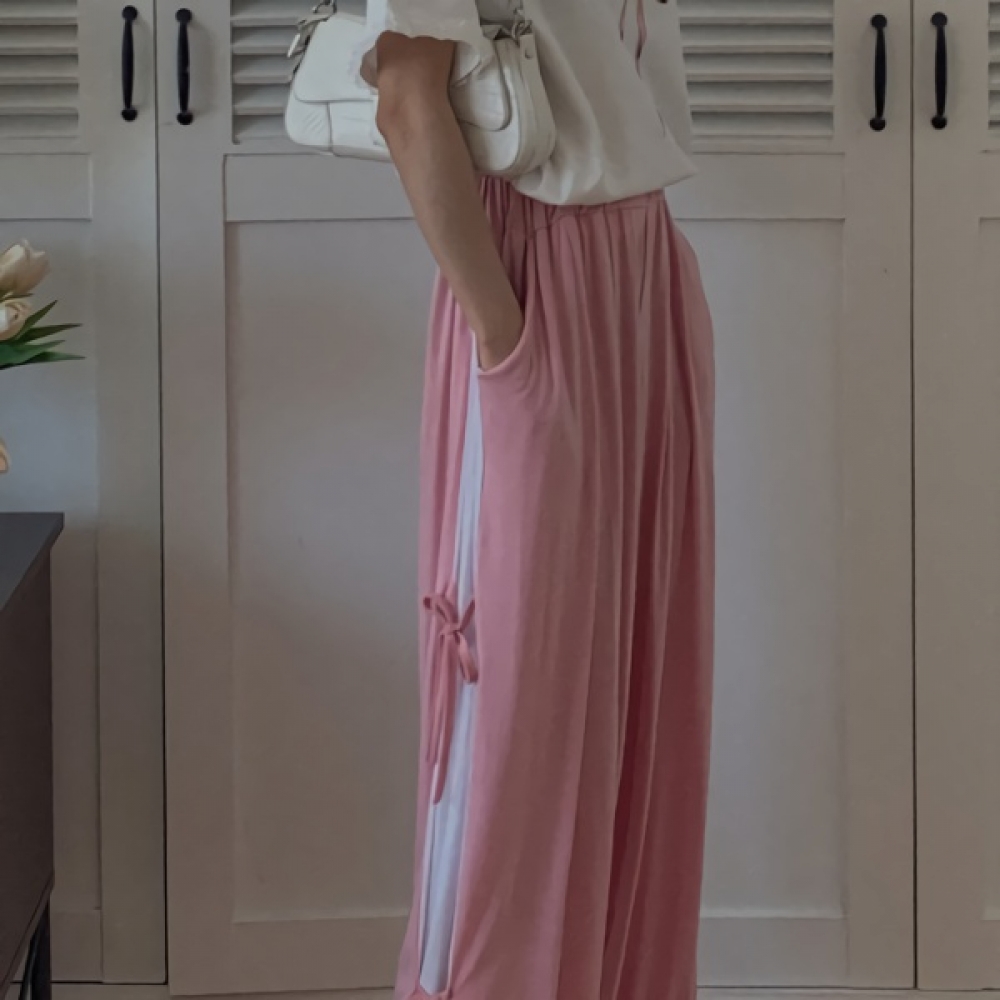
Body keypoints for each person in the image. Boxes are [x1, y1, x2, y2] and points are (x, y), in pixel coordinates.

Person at [353, 1, 715, 998]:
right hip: (536, 277)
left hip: (640, 268)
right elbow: (406, 95)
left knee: (642, 686)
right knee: (517, 704)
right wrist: (503, 336)